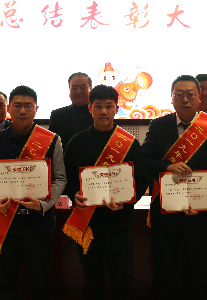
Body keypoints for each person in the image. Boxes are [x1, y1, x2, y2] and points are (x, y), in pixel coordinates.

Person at [142, 75, 207, 300]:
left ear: (199, 98)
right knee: (164, 269)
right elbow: (144, 162)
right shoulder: (158, 125)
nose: (185, 100)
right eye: (179, 95)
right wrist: (167, 167)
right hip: (165, 211)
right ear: (172, 99)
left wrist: (204, 199)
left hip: (199, 213)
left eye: (190, 95)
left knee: (198, 269)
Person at [64, 84, 149, 300]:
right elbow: (67, 178)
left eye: (109, 106)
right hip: (87, 222)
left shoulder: (129, 143)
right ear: (90, 108)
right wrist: (74, 193)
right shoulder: (76, 143)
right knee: (91, 279)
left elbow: (141, 180)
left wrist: (127, 201)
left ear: (116, 108)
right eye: (98, 106)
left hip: (118, 223)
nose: (103, 111)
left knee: (119, 279)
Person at [0, 85, 66, 300]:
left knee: (40, 281)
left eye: (28, 106)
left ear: (36, 109)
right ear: (9, 108)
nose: (22, 111)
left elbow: (60, 178)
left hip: (38, 221)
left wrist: (44, 204)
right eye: (17, 105)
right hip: (5, 219)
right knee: (5, 281)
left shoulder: (52, 140)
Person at [49, 72, 94, 151]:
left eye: (83, 87)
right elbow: (51, 145)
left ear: (90, 89)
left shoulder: (98, 114)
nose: (78, 92)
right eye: (74, 88)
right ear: (69, 90)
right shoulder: (57, 115)